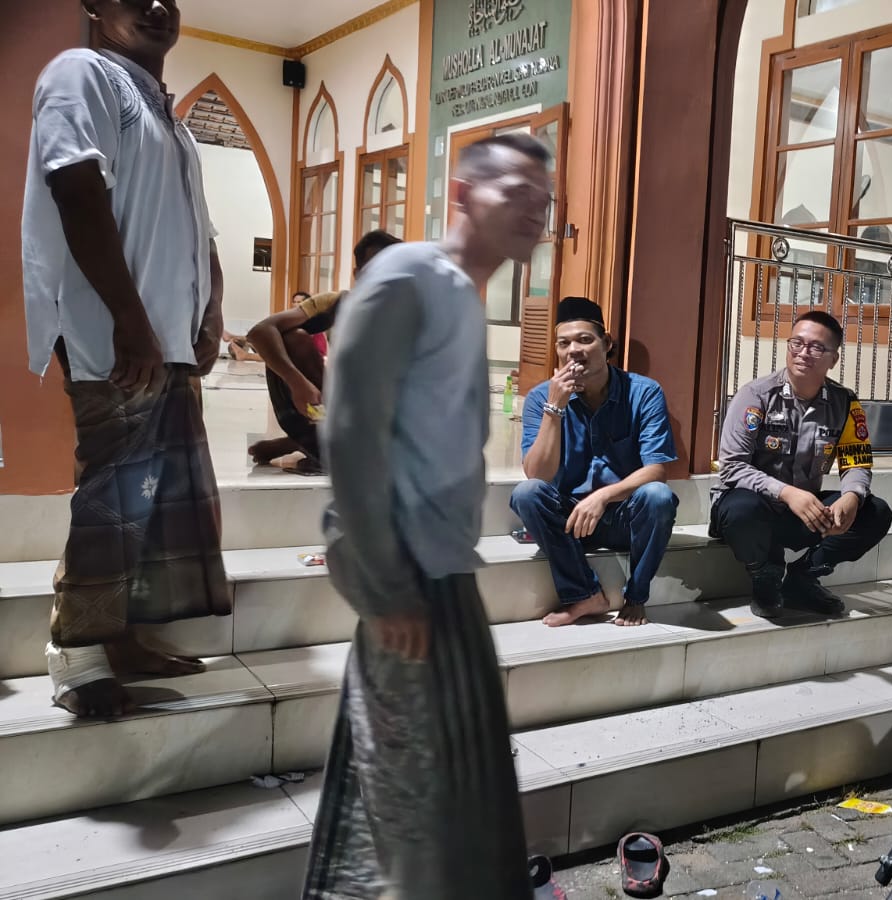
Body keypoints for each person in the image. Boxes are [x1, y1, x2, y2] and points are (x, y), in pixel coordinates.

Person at [300, 132, 553, 899]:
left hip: (442, 571)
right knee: (414, 805)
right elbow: (350, 433)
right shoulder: (406, 275)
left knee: (457, 797)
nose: (536, 212)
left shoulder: (459, 295)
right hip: (406, 576)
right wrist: (383, 588)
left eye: (545, 200)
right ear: (464, 193)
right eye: (518, 193)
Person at [23, 0, 229, 719]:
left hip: (168, 342)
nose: (156, 7)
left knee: (151, 506)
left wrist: (212, 310)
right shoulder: (83, 73)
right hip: (118, 340)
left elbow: (199, 230)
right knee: (112, 502)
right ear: (95, 6)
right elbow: (77, 191)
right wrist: (131, 324)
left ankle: (123, 637)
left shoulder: (170, 118)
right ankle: (75, 654)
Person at [510, 296, 679, 628]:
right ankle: (585, 594)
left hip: (624, 517)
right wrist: (555, 409)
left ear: (606, 343)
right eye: (564, 343)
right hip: (569, 521)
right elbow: (537, 475)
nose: (574, 350)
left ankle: (636, 597)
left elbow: (657, 470)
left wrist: (602, 496)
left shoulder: (644, 392)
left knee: (658, 496)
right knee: (526, 494)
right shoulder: (541, 397)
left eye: (585, 339)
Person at [711, 312, 892, 619]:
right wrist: (787, 493)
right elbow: (732, 467)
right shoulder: (755, 396)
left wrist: (852, 496)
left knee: (876, 511)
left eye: (816, 347)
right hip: (750, 510)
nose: (803, 352)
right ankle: (765, 575)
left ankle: (804, 578)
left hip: (802, 512)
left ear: (833, 359)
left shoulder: (845, 403)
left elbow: (857, 462)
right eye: (797, 343)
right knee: (742, 509)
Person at [246, 231, 403, 473]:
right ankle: (314, 442)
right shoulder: (338, 303)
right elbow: (260, 332)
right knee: (291, 339)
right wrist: (297, 383)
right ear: (358, 274)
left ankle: (307, 445)